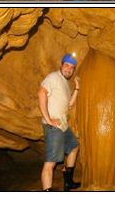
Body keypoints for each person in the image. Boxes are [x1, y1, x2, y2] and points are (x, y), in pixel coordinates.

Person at [38, 54, 81, 191]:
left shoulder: (65, 84)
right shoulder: (53, 77)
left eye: (72, 68)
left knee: (74, 147)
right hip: (54, 128)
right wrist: (48, 119)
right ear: (61, 65)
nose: (69, 69)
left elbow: (69, 105)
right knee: (50, 164)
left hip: (63, 127)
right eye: (67, 65)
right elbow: (41, 93)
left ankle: (68, 182)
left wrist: (77, 88)